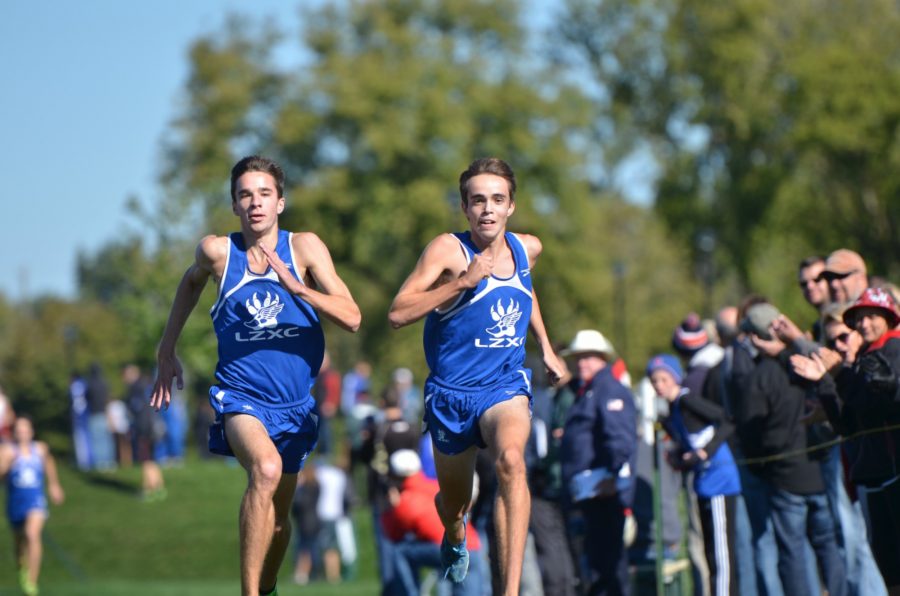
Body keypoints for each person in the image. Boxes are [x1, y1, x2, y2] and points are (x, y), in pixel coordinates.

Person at [150, 155, 362, 596]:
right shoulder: (217, 252)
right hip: (241, 398)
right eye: (245, 195)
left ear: (280, 202)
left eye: (265, 193)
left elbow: (353, 316)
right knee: (265, 470)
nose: (255, 203)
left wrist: (300, 289)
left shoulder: (304, 248)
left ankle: (265, 589)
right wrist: (166, 347)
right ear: (234, 205)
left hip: (296, 407)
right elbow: (191, 282)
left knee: (280, 521)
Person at [388, 157, 565, 594]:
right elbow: (397, 312)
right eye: (478, 200)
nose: (488, 209)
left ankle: (509, 589)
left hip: (504, 385)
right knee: (455, 504)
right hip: (451, 394)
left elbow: (525, 290)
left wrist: (546, 347)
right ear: (465, 208)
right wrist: (460, 283)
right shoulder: (448, 250)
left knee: (510, 462)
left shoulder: (528, 248)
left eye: (497, 200)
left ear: (511, 207)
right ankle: (453, 528)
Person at [792, 287, 900, 594]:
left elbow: (880, 399)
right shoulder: (866, 359)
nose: (864, 324)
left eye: (871, 316)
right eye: (859, 318)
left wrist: (839, 374)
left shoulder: (892, 349)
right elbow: (848, 423)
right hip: (873, 475)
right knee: (889, 568)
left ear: (889, 317)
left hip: (892, 472)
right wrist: (828, 381)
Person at [649, 354, 741, 596]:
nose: (659, 385)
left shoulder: (687, 400)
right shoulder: (672, 411)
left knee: (722, 554)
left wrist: (704, 452)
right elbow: (688, 446)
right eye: (654, 381)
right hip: (703, 483)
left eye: (663, 379)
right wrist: (681, 459)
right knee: (710, 551)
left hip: (720, 480)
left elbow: (727, 420)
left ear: (675, 379)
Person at [559, 329, 637, 595]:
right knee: (596, 570)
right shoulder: (590, 390)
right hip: (590, 494)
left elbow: (621, 442)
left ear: (603, 359)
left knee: (608, 572)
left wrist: (615, 479)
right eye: (579, 358)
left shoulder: (608, 389)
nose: (582, 363)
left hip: (604, 493)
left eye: (589, 357)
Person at [0, 416, 65, 596]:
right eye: (19, 430)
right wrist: (7, 465)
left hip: (35, 500)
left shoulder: (40, 449)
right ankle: (22, 567)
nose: (22, 433)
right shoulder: (7, 451)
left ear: (31, 431)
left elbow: (49, 463)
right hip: (15, 501)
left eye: (25, 429)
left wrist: (54, 485)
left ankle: (32, 581)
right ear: (14, 432)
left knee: (32, 533)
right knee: (19, 541)